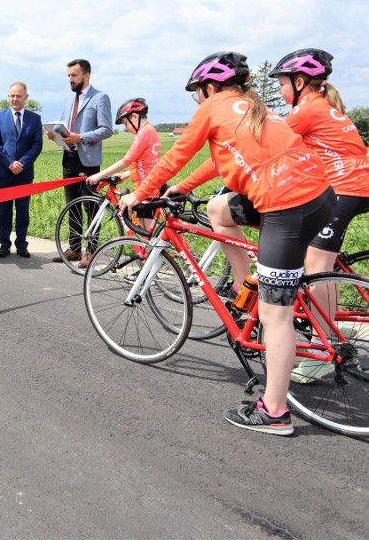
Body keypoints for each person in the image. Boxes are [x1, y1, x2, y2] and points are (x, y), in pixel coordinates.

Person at [119, 52, 335, 436]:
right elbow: (218, 165)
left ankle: (275, 412)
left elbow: (176, 155)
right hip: (320, 196)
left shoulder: (213, 107)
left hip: (286, 207)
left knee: (276, 316)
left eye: (197, 93)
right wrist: (180, 189)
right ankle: (244, 284)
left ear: (210, 87)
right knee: (220, 208)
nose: (197, 100)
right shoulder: (253, 107)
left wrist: (140, 194)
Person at [268, 48, 369, 383]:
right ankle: (331, 326)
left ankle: (320, 351)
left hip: (347, 188)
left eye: (282, 83)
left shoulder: (306, 109)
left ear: (300, 82)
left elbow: (269, 143)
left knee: (317, 264)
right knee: (325, 258)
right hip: (356, 185)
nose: (281, 91)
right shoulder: (323, 105)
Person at [46, 59, 113, 265]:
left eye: (74, 75)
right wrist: (55, 133)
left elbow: (106, 129)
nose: (70, 79)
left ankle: (91, 251)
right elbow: (63, 125)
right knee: (72, 206)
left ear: (87, 75)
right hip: (69, 158)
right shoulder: (68, 101)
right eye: (68, 76)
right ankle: (75, 248)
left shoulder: (100, 98)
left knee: (91, 207)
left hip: (88, 162)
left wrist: (81, 137)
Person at [84, 97, 161, 265]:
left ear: (135, 117)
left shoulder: (144, 133)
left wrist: (98, 175)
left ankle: (149, 272)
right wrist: (125, 176)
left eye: (126, 123)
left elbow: (127, 159)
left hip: (146, 189)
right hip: (149, 186)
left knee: (148, 238)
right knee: (147, 234)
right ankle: (147, 269)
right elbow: (145, 163)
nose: (126, 128)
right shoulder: (150, 131)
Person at [0, 81, 43, 258]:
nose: (15, 99)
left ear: (25, 97)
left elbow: (37, 145)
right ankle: (4, 244)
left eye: (18, 96)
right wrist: (10, 163)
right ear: (8, 97)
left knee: (23, 211)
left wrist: (22, 163)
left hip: (24, 173)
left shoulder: (35, 119)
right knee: (3, 211)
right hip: (3, 173)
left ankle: (22, 244)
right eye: (12, 96)